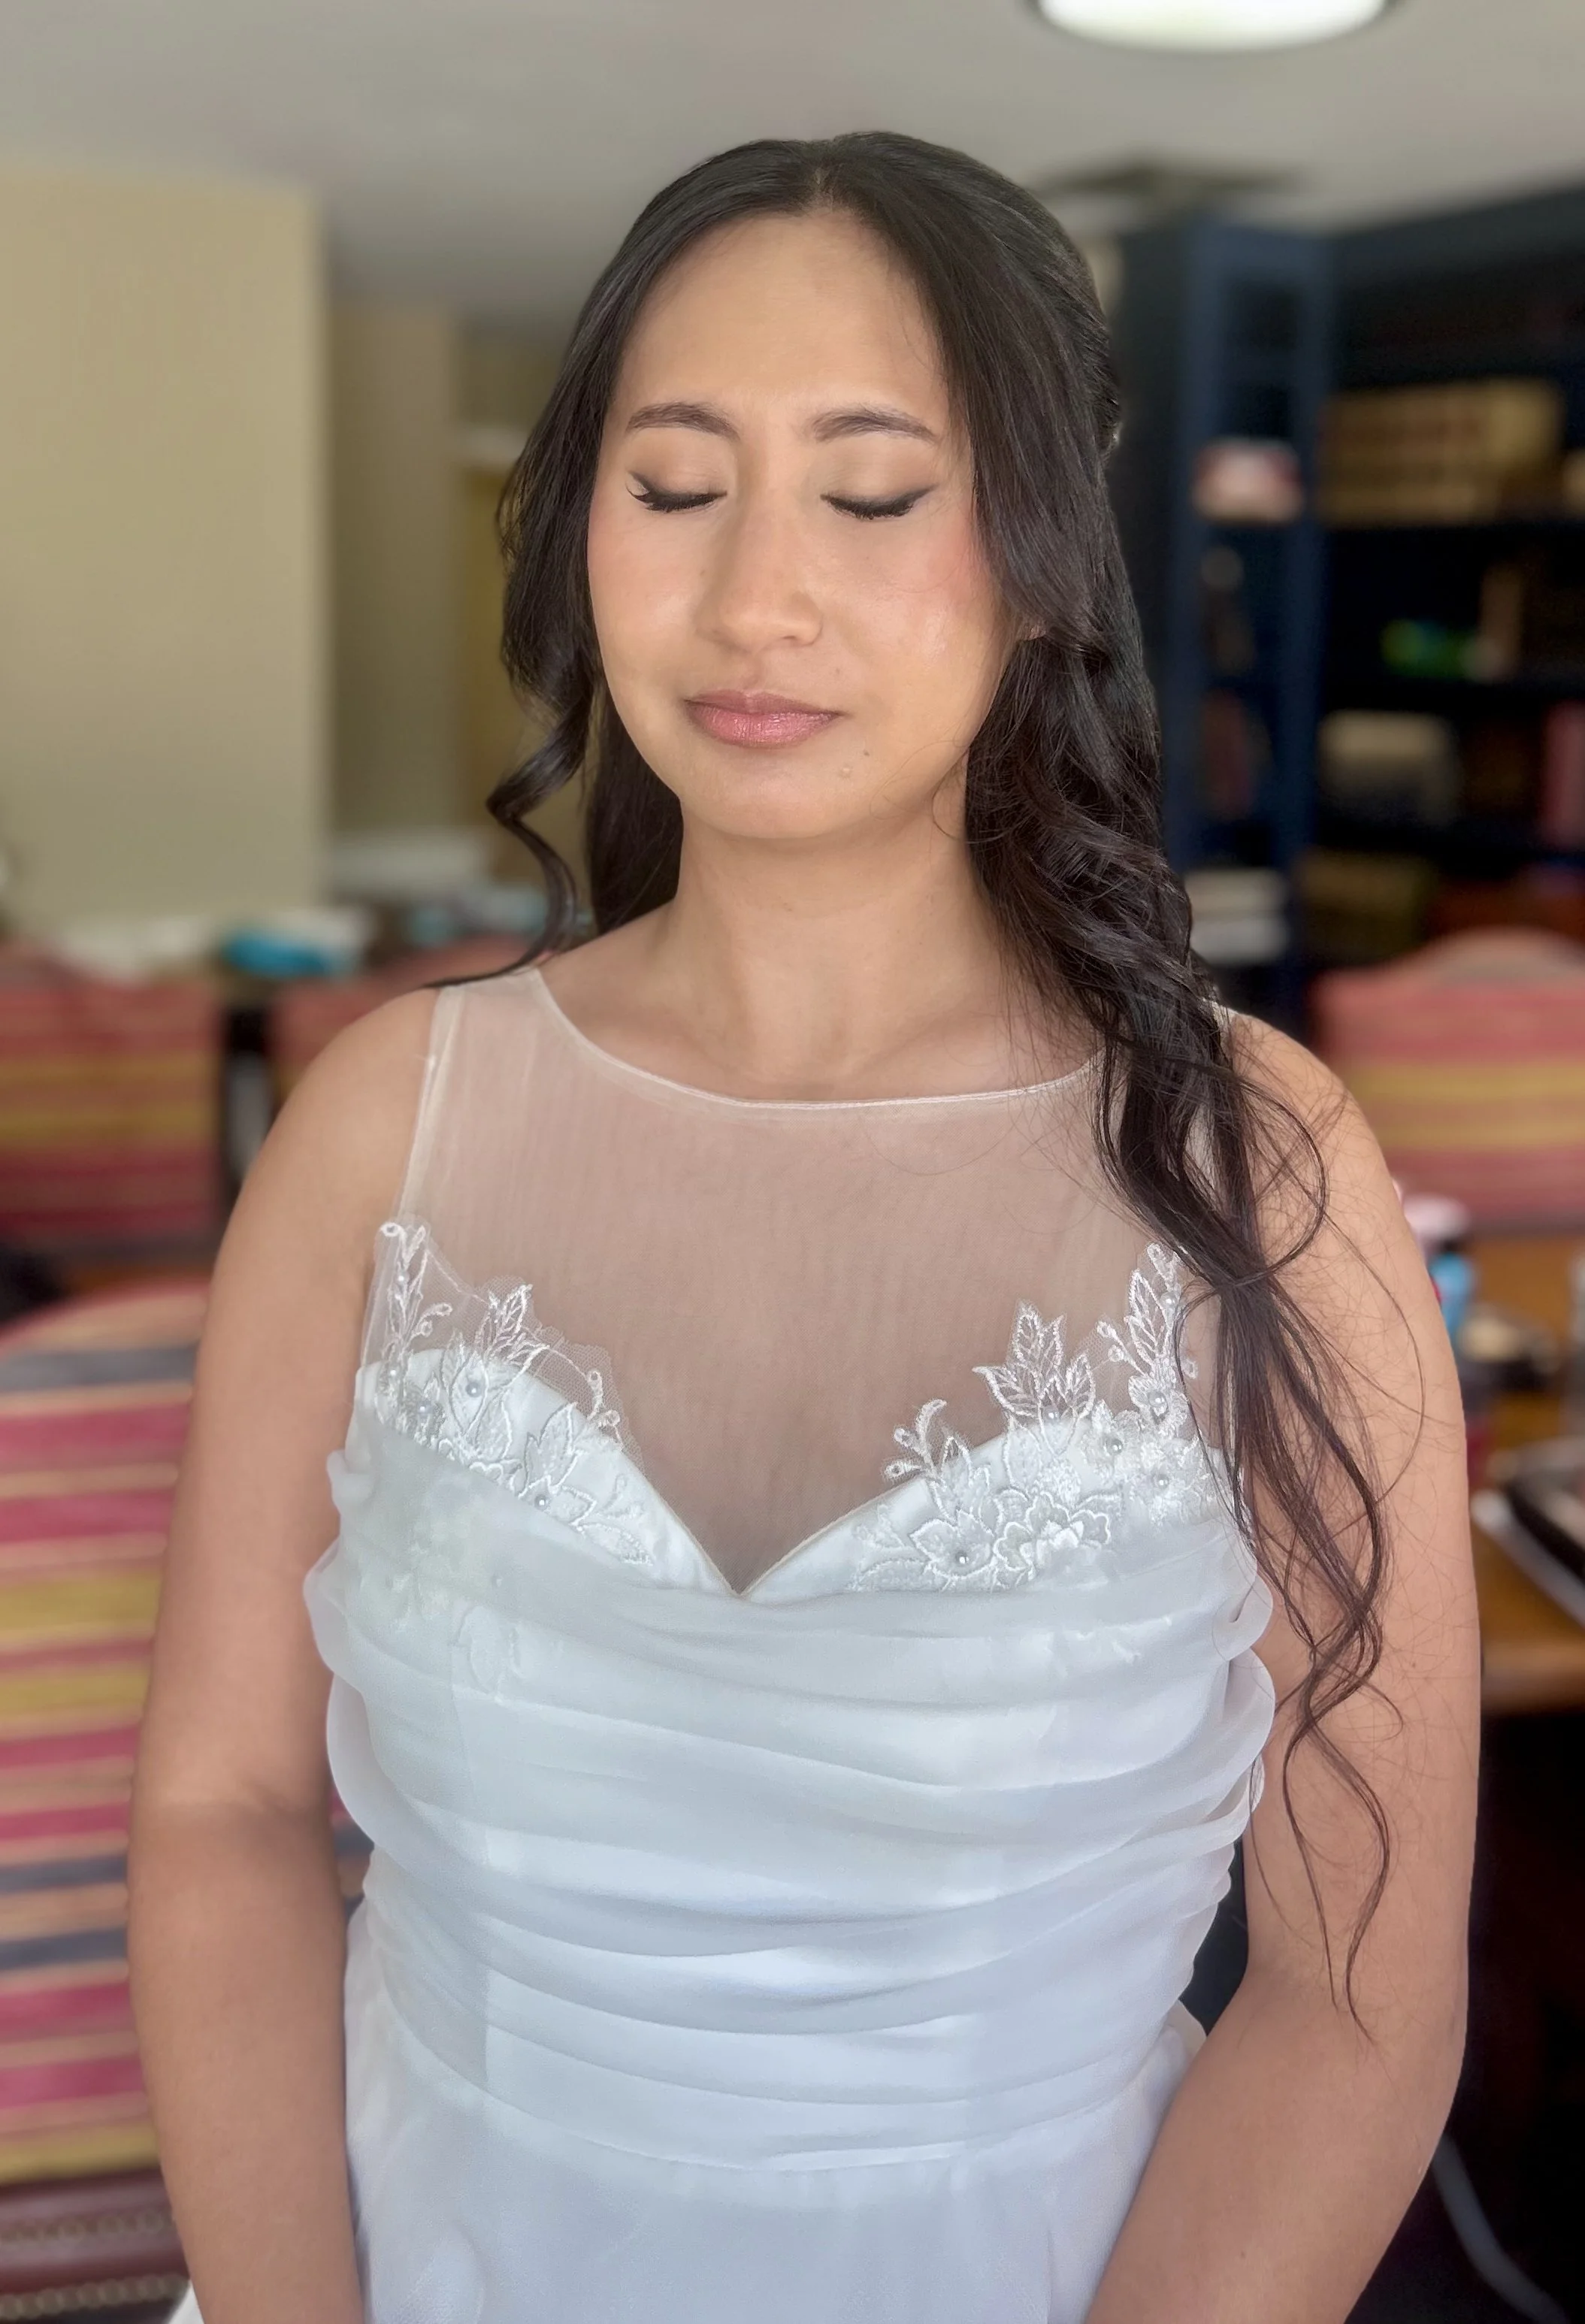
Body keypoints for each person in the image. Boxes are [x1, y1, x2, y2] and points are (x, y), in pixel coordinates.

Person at [129, 132, 1478, 2324]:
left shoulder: (1262, 1176)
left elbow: (1349, 1994)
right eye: (673, 488)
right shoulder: (374, 1128)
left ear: (1043, 558)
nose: (758, 596)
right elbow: (226, 1813)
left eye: (870, 493)